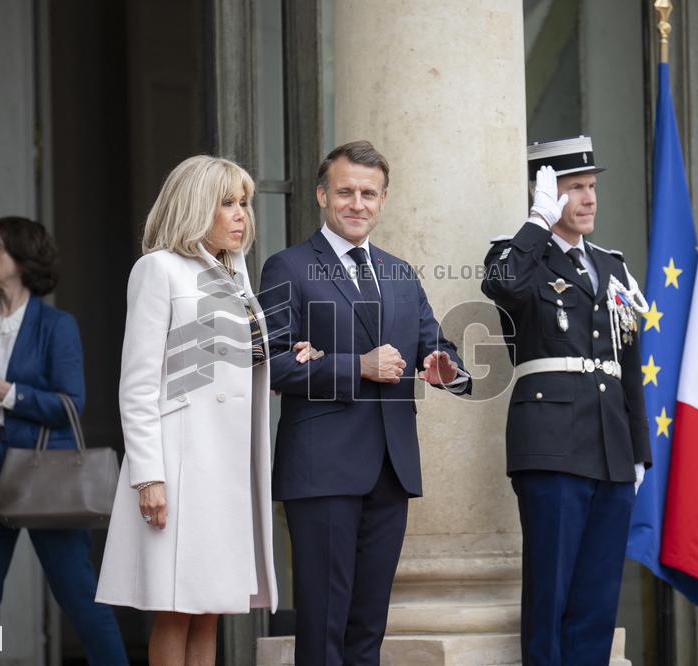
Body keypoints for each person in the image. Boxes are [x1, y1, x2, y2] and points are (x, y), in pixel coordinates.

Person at [258, 140, 471, 666]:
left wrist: (448, 370)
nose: (357, 203)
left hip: (390, 470)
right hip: (323, 470)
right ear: (322, 195)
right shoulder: (286, 267)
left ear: (383, 200)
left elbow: (438, 347)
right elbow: (270, 364)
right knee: (324, 625)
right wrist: (357, 365)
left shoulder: (400, 272)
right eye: (346, 192)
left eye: (369, 194)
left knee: (368, 628)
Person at [97, 155, 304, 666]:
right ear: (195, 207)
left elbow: (236, 365)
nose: (241, 215)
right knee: (175, 608)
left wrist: (285, 359)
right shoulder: (158, 269)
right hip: (180, 461)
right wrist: (148, 476)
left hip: (227, 465)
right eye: (228, 203)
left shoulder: (237, 278)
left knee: (209, 607)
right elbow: (139, 382)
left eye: (245, 204)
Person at [481, 136, 651, 665]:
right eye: (573, 188)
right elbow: (504, 286)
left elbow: (627, 361)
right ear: (547, 194)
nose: (588, 198)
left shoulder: (612, 265)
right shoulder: (519, 255)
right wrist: (536, 221)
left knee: (597, 598)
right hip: (551, 445)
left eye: (592, 187)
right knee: (550, 592)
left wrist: (638, 449)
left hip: (610, 446)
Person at [0, 216, 127, 666]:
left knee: (79, 594)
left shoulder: (55, 326)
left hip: (44, 473)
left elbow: (69, 404)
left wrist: (6, 392)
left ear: (22, 260)